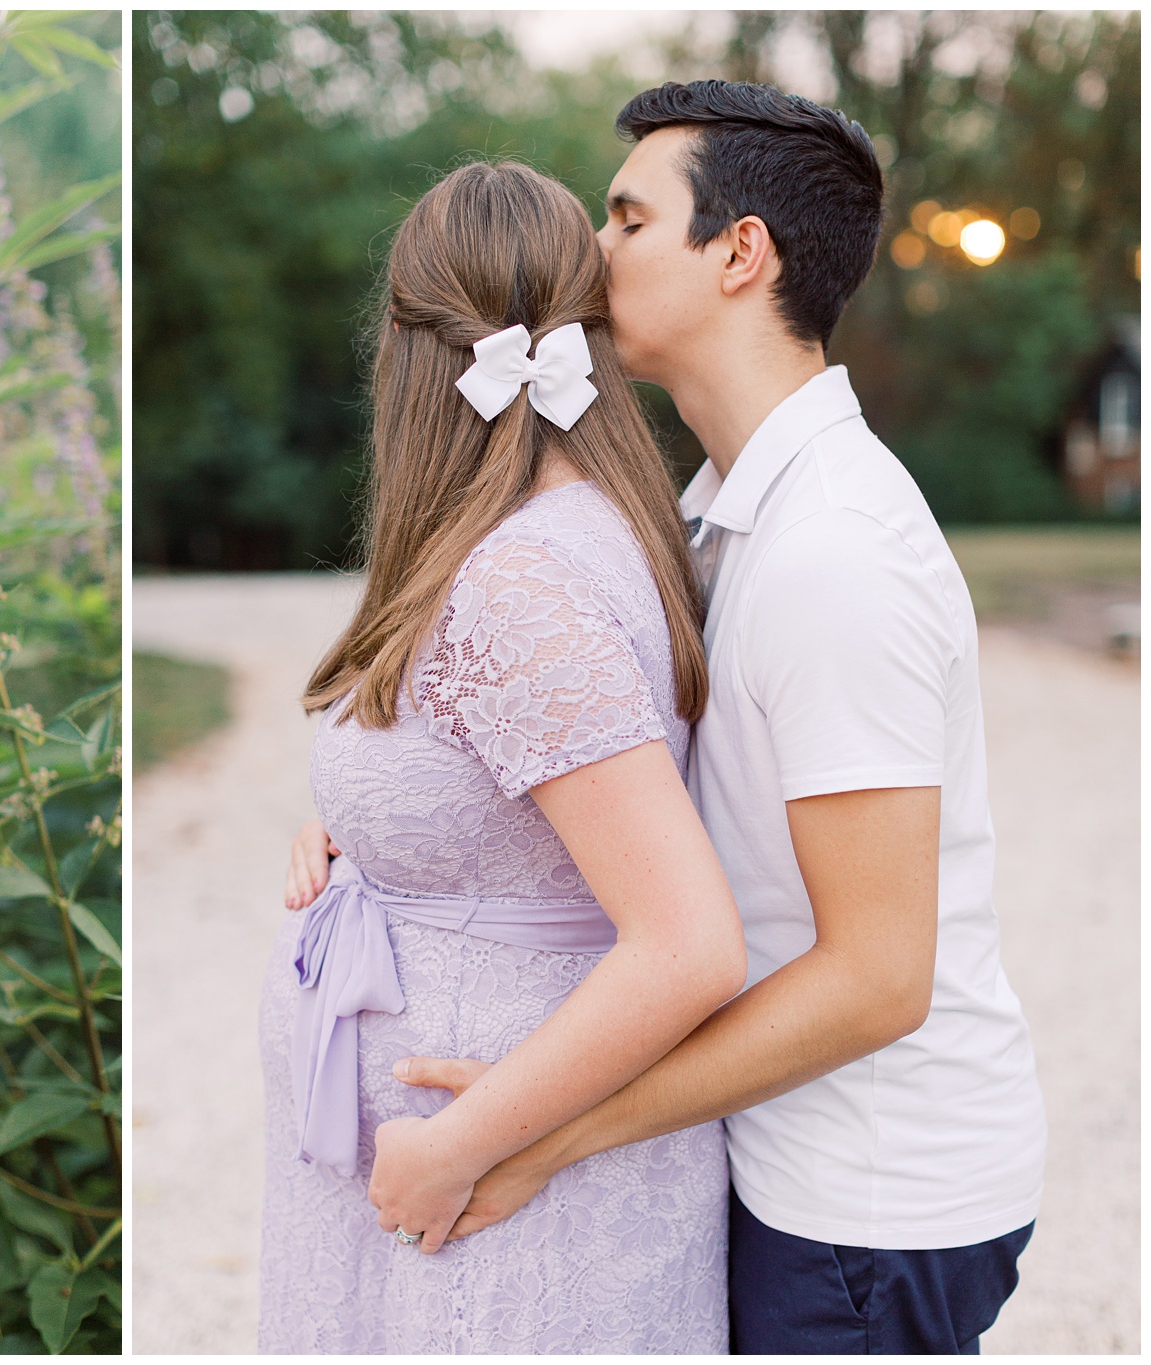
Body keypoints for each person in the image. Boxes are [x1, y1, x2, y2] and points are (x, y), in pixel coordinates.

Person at [287, 81, 1045, 1355]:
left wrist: (536, 1135)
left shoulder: (833, 552)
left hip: (859, 1199)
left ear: (738, 252)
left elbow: (875, 980)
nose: (590, 250)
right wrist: (375, 821)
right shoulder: (707, 514)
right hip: (776, 1159)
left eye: (628, 219)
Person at [257, 156, 748, 1353]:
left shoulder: (520, 582)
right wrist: (365, 820)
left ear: (409, 347)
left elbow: (687, 944)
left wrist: (452, 1148)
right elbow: (518, 790)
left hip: (493, 1210)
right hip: (468, 1189)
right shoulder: (575, 530)